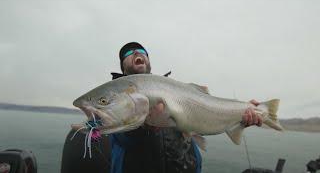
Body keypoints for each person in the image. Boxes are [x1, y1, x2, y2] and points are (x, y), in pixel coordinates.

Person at [61, 42, 262, 173]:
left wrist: (242, 116)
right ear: (123, 67)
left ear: (148, 60)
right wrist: (143, 130)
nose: (136, 54)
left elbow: (203, 121)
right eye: (128, 53)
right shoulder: (116, 99)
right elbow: (121, 140)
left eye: (141, 52)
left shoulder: (171, 89)